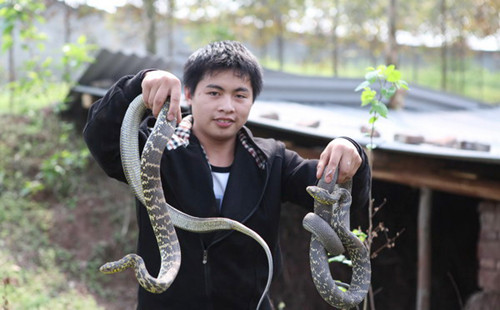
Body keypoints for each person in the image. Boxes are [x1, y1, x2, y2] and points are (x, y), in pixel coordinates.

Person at [83, 40, 370, 310]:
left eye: (240, 95)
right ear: (189, 95)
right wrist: (140, 82)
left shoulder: (273, 160)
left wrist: (350, 150)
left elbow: (339, 195)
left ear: (253, 101)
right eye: (214, 92)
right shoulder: (158, 153)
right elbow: (101, 138)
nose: (227, 106)